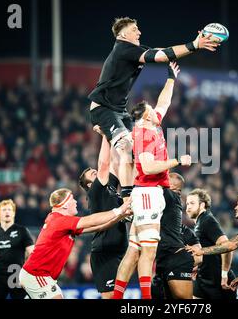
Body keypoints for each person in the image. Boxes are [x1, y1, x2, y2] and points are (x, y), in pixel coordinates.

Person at [87, 17, 219, 203]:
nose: (139, 32)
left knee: (131, 154)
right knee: (125, 147)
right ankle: (126, 200)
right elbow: (162, 56)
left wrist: (171, 78)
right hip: (104, 108)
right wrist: (194, 45)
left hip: (118, 110)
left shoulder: (134, 51)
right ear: (123, 34)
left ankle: (124, 191)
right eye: (134, 29)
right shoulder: (124, 50)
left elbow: (163, 56)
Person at [112, 63, 192, 299]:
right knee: (148, 250)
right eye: (151, 109)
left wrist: (170, 78)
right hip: (148, 192)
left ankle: (117, 297)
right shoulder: (144, 132)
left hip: (145, 192)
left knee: (134, 250)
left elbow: (164, 102)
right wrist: (177, 160)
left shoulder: (151, 125)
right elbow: (147, 166)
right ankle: (146, 300)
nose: (156, 110)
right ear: (145, 114)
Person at [19, 188, 131, 299]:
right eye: (72, 199)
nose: (76, 202)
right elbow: (91, 220)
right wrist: (119, 210)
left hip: (40, 275)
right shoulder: (59, 221)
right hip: (36, 274)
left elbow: (98, 227)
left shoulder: (60, 221)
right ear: (65, 205)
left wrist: (121, 216)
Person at [78, 133, 128, 299]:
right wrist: (105, 135)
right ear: (90, 185)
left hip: (119, 249)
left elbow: (113, 162)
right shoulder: (95, 192)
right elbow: (104, 163)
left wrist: (115, 137)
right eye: (93, 174)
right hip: (105, 251)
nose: (97, 172)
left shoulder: (110, 189)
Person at [154, 172, 201, 299]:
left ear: (172, 187)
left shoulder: (170, 195)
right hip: (163, 261)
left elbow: (199, 253)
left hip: (175, 258)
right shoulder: (180, 226)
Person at [185, 189, 237, 299]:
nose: (188, 207)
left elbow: (227, 246)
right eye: (187, 204)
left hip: (218, 283)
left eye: (192, 203)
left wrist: (224, 275)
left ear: (202, 205)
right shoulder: (199, 222)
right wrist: (198, 265)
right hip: (203, 279)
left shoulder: (207, 220)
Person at [0, 199, 34, 299]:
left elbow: (33, 254)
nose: (7, 212)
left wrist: (29, 276)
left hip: (17, 276)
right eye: (4, 210)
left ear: (14, 213)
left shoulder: (22, 231)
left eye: (9, 209)